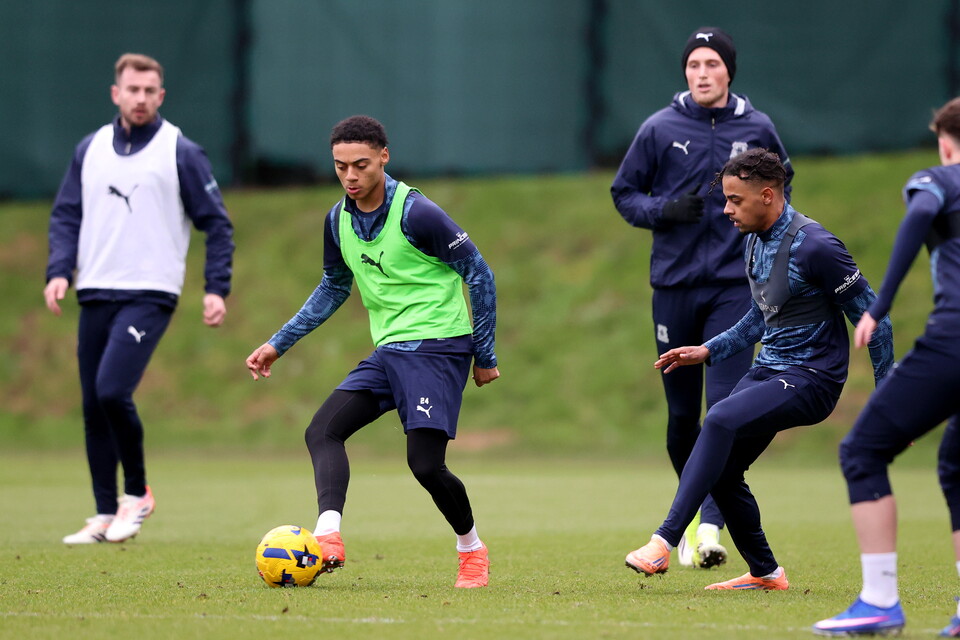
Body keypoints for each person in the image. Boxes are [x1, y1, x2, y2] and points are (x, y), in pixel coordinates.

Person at [245, 115, 499, 589]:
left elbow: (480, 274)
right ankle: (328, 536)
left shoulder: (417, 214)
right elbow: (332, 287)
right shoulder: (336, 220)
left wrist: (484, 355)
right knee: (322, 430)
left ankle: (472, 550)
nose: (350, 176)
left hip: (438, 347)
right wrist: (278, 343)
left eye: (361, 164)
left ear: (384, 156)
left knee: (424, 464)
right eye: (340, 166)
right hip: (389, 352)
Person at [623, 149, 893, 590]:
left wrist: (888, 400)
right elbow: (758, 317)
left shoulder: (818, 247)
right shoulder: (752, 239)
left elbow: (874, 321)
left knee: (720, 417)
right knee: (724, 469)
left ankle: (663, 541)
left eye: (734, 199)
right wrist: (707, 350)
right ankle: (766, 572)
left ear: (767, 195)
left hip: (813, 378)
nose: (726, 209)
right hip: (770, 370)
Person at [610, 26, 794, 569]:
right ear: (685, 73)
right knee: (680, 415)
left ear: (729, 70)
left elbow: (782, 190)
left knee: (726, 409)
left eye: (712, 63)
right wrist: (661, 210)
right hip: (673, 287)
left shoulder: (758, 127)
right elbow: (624, 194)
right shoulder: (659, 128)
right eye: (694, 65)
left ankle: (709, 526)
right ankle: (691, 520)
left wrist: (772, 253)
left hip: (735, 289)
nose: (702, 72)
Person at [44, 53, 235, 544]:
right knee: (92, 404)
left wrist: (216, 288)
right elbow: (66, 215)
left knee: (112, 390)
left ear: (161, 96)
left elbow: (216, 224)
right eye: (133, 89)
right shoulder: (89, 149)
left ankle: (137, 495)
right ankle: (104, 512)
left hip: (150, 293)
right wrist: (59, 270)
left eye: (150, 91)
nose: (141, 98)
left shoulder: (181, 151)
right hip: (95, 290)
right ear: (116, 93)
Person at [812, 99, 960, 635]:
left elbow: (921, 215)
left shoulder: (940, 179)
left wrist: (879, 305)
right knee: (956, 465)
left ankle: (879, 601)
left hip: (954, 345)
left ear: (945, 142)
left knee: (862, 451)